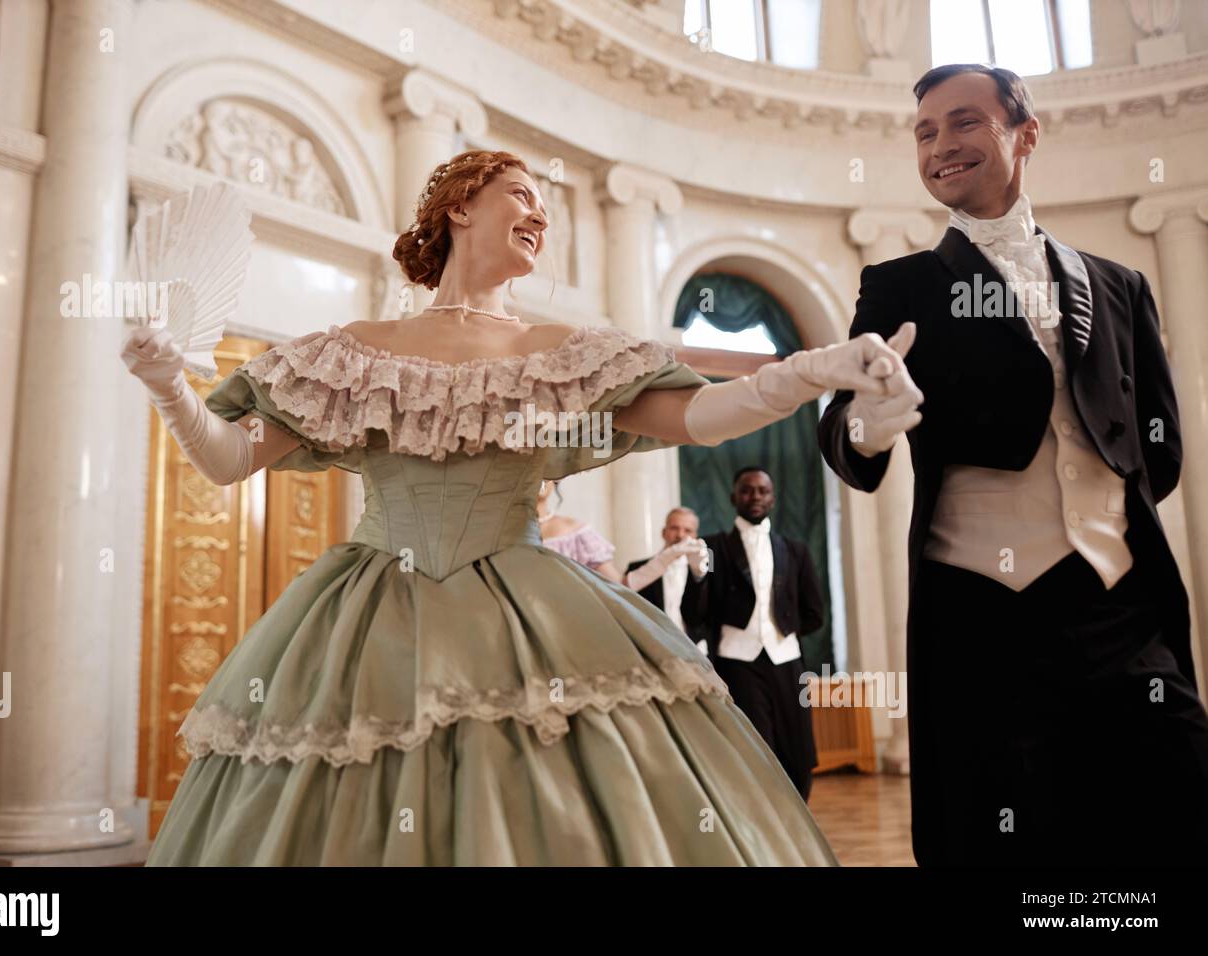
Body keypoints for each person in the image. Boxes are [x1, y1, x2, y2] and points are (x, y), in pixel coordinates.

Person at [124, 148, 917, 865]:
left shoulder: (559, 355)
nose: (539, 214)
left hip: (533, 612)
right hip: (367, 627)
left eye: (545, 207)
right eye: (521, 194)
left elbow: (701, 417)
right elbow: (229, 461)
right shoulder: (351, 351)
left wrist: (819, 370)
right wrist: (167, 387)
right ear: (460, 207)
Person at [817, 64, 1208, 866]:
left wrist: (1108, 514)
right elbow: (841, 423)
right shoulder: (900, 283)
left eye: (964, 122)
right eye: (925, 132)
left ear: (1025, 134)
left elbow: (1156, 444)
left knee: (1173, 808)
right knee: (1004, 839)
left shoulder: (1119, 283)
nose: (940, 145)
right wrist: (867, 424)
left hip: (1122, 604)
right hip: (981, 616)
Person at [680, 468, 825, 800]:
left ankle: (796, 819)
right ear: (733, 498)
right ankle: (760, 824)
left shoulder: (796, 550)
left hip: (786, 660)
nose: (755, 497)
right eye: (747, 491)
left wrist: (781, 632)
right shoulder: (713, 548)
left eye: (762, 491)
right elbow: (695, 614)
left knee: (798, 750)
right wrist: (699, 578)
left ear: (772, 497)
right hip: (736, 662)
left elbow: (815, 612)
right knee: (754, 747)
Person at [624, 507, 711, 652]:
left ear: (695, 535)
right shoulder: (637, 568)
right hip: (651, 649)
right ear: (664, 532)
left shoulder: (703, 572)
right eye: (674, 528)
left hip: (695, 650)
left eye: (687, 530)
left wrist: (699, 575)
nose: (680, 535)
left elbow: (704, 615)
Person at [536, 479, 620, 583]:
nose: (540, 479)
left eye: (546, 471)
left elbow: (616, 587)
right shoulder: (510, 534)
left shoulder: (577, 534)